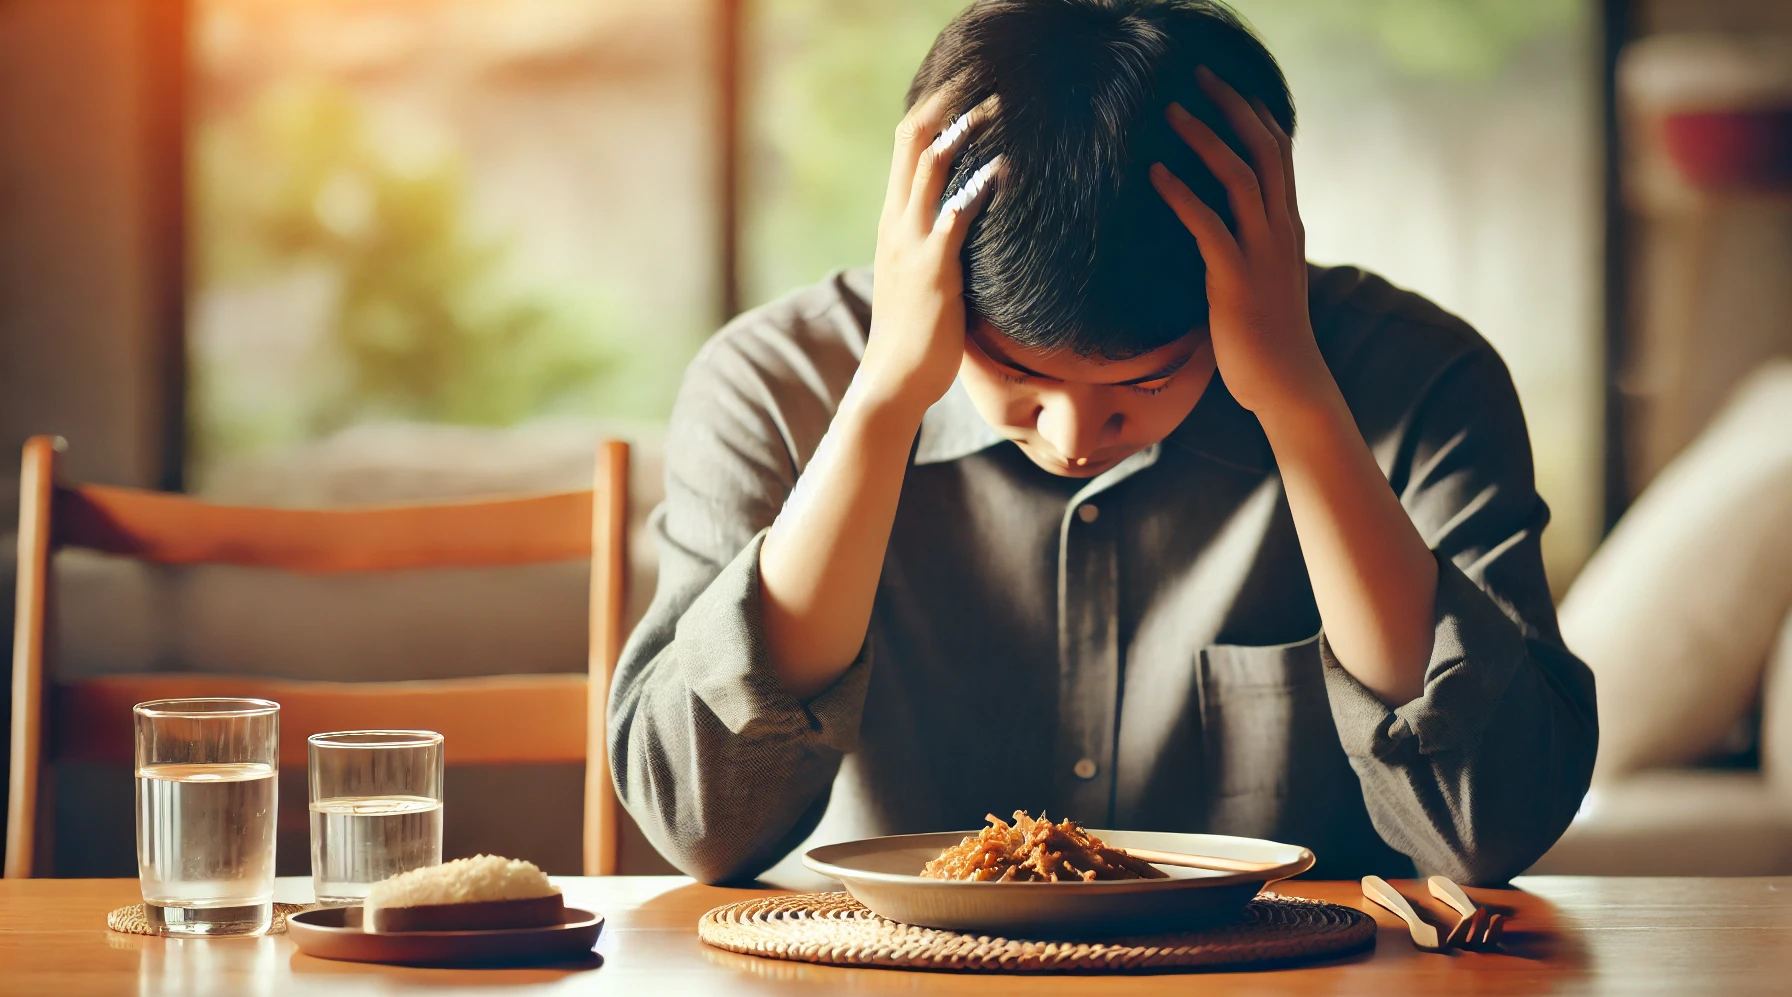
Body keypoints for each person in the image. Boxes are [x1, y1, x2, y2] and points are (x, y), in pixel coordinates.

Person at [608, 0, 1597, 885]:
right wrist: (881, 402)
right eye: (1019, 376)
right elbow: (703, 824)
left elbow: (1492, 827)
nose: (1076, 432)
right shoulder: (774, 386)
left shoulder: (1420, 381)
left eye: (1148, 378)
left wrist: (1297, 397)